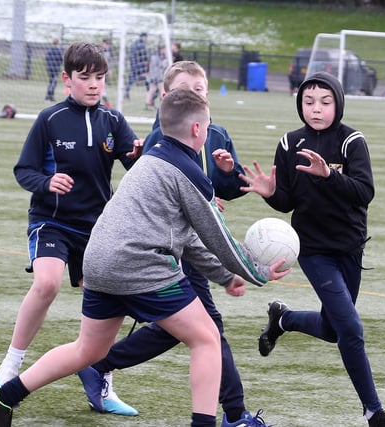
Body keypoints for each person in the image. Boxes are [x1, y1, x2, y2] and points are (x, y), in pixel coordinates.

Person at [0, 88, 292, 427]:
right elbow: (217, 236)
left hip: (98, 263)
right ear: (198, 130)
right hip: (139, 268)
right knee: (206, 337)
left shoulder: (153, 157)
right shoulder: (188, 172)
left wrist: (227, 276)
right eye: (208, 123)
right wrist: (257, 272)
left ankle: (3, 397)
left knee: (89, 350)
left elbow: (190, 240)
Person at [77, 60, 270, 426]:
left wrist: (229, 174)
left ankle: (100, 364)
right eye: (185, 89)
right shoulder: (159, 138)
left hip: (196, 240)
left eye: (200, 90)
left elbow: (225, 190)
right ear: (166, 96)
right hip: (169, 249)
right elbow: (149, 192)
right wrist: (234, 269)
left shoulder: (217, 134)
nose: (194, 95)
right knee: (207, 328)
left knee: (192, 330)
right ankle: (233, 414)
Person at [239, 71, 385, 427]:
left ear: (338, 103)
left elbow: (365, 192)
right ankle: (374, 412)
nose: (316, 108)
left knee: (333, 330)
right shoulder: (289, 143)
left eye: (325, 101)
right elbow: (287, 202)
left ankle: (282, 318)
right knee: (350, 328)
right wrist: (271, 194)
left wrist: (330, 175)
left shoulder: (352, 142)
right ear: (300, 104)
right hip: (314, 251)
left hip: (350, 248)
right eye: (308, 101)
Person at [0, 41, 143, 393]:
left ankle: (101, 378)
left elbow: (136, 168)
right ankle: (10, 366)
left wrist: (136, 154)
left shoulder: (114, 120)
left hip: (98, 230)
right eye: (85, 77)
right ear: (66, 79)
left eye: (100, 77)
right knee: (47, 283)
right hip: (52, 222)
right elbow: (23, 170)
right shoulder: (49, 120)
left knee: (109, 300)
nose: (93, 84)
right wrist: (46, 181)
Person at [125, 32, 149, 100]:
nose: (147, 39)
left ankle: (126, 92)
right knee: (147, 79)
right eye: (147, 37)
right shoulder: (142, 45)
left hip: (133, 65)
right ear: (144, 37)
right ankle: (150, 95)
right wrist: (145, 67)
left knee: (130, 80)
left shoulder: (133, 44)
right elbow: (144, 57)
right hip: (140, 66)